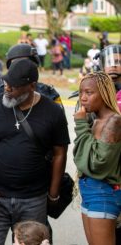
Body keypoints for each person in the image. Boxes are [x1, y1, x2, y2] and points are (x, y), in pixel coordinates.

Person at [0, 58, 70, 244]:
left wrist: (54, 193)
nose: (7, 89)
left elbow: (59, 153)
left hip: (34, 200)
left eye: (13, 87)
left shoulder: (53, 112)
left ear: (32, 86)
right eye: (6, 84)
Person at [73, 72, 121, 245]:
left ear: (104, 93)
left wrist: (80, 125)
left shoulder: (113, 121)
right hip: (89, 190)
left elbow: (97, 163)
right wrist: (84, 123)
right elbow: (80, 156)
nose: (83, 98)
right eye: (81, 93)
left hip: (103, 192)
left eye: (89, 93)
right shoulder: (95, 120)